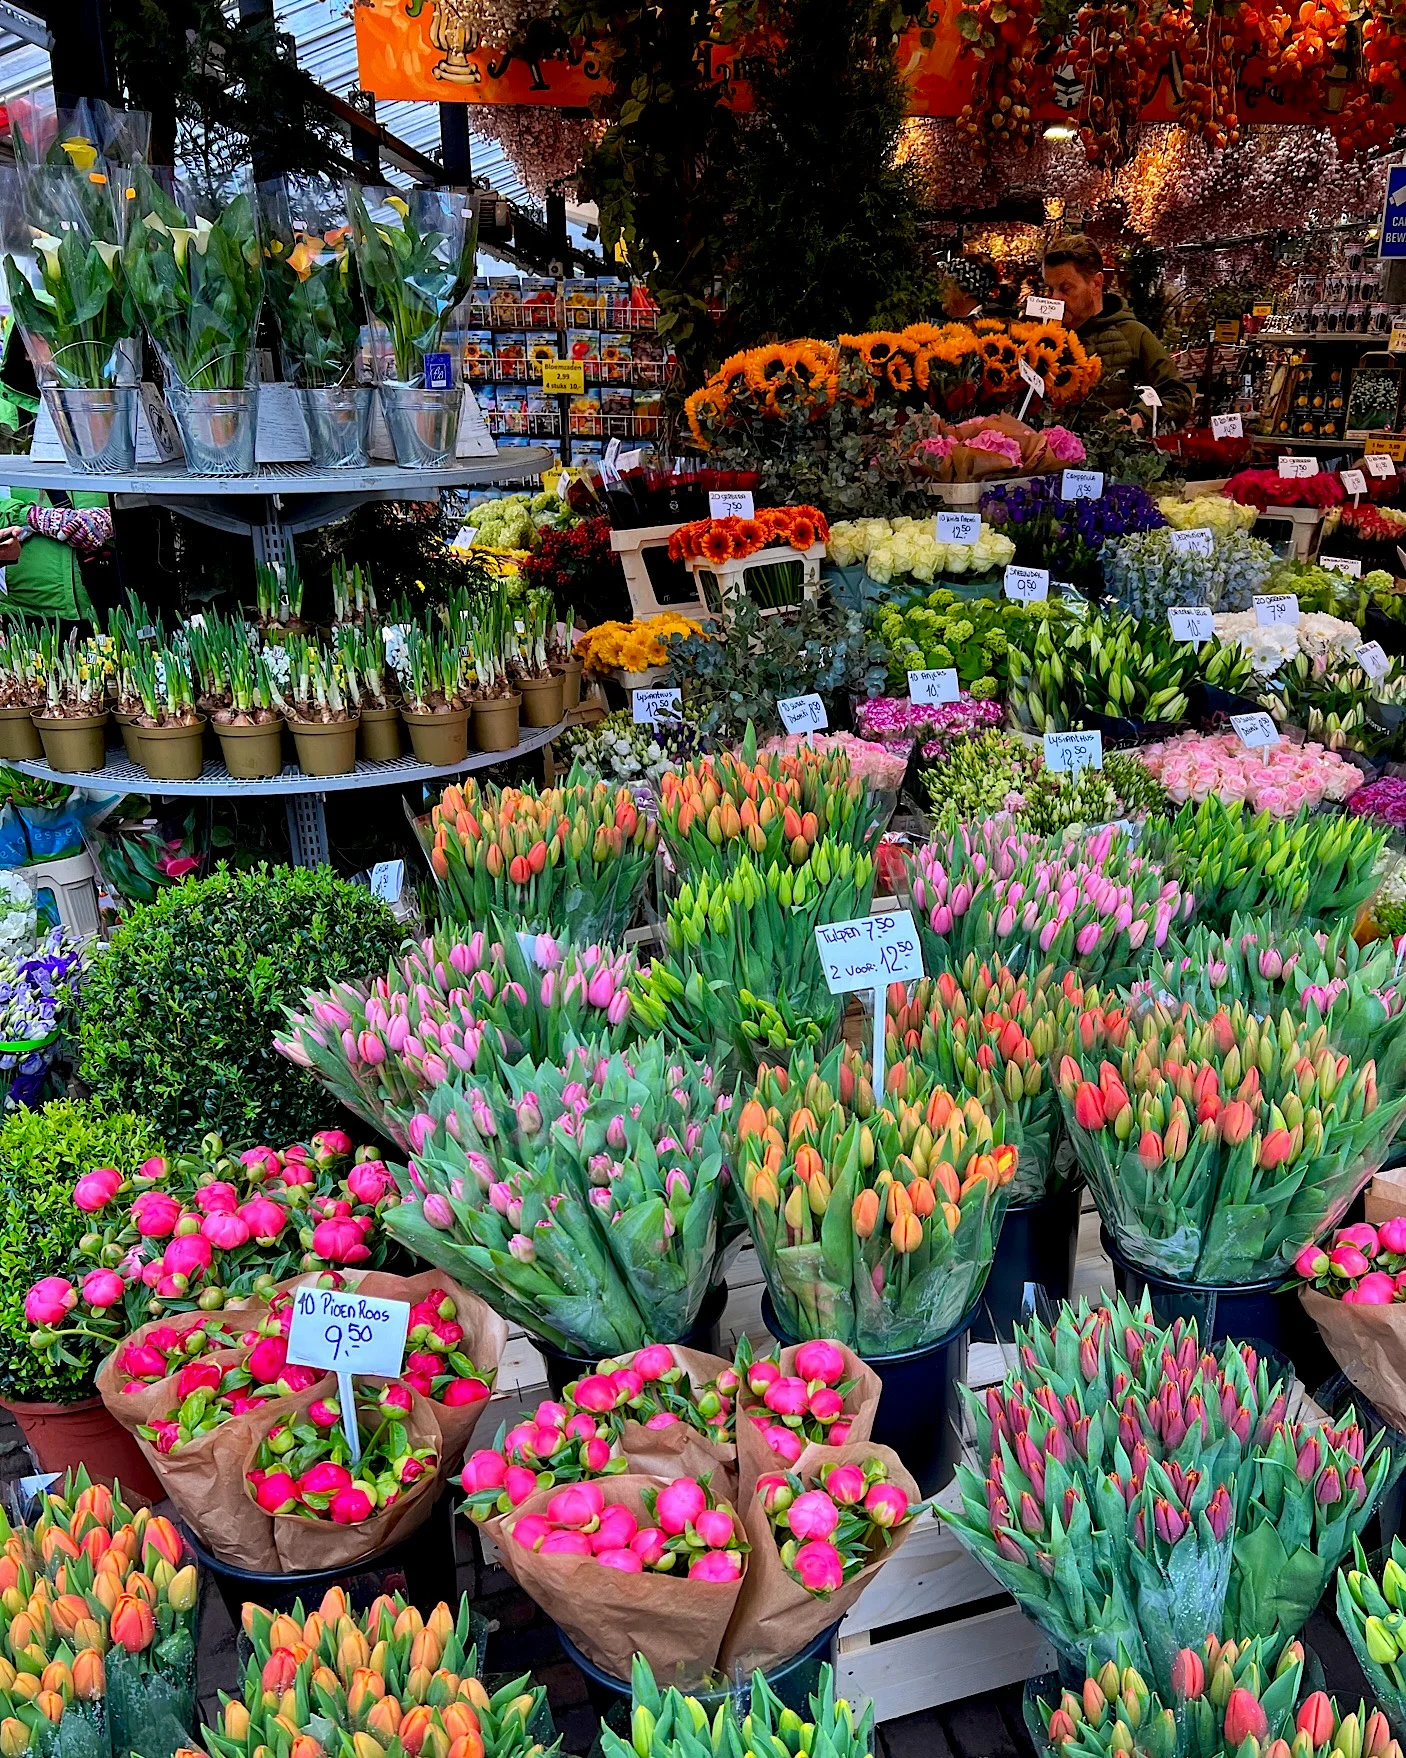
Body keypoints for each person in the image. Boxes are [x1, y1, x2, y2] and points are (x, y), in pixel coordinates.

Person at [1042, 234, 1192, 429]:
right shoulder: (1041, 338)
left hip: (1111, 456)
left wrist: (1140, 416)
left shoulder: (1134, 335)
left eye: (1066, 288)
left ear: (1095, 284)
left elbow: (1178, 396)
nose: (1055, 298)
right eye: (1049, 289)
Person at [0, 487, 110, 621]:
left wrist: (113, 517)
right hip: (27, 603)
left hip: (116, 596)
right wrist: (31, 516)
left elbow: (139, 496)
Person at [938, 258, 995, 322]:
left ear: (966, 291)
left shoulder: (984, 325)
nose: (941, 287)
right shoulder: (934, 316)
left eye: (946, 284)